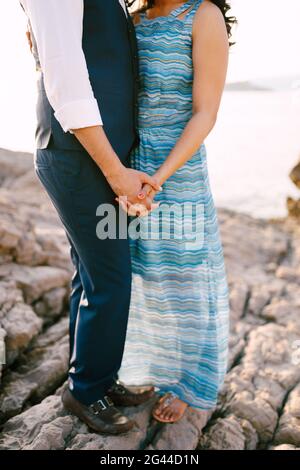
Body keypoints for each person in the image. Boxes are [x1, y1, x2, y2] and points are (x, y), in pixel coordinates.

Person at [20, 0, 161, 435]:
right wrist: (115, 171)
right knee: (110, 277)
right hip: (78, 158)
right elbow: (67, 82)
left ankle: (96, 376)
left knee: (94, 274)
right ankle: (84, 392)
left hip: (96, 156)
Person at [118, 0, 234, 423]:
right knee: (137, 271)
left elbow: (206, 113)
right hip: (126, 171)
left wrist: (159, 177)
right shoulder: (132, 19)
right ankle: (144, 368)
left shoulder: (202, 16)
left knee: (184, 277)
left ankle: (188, 383)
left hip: (177, 171)